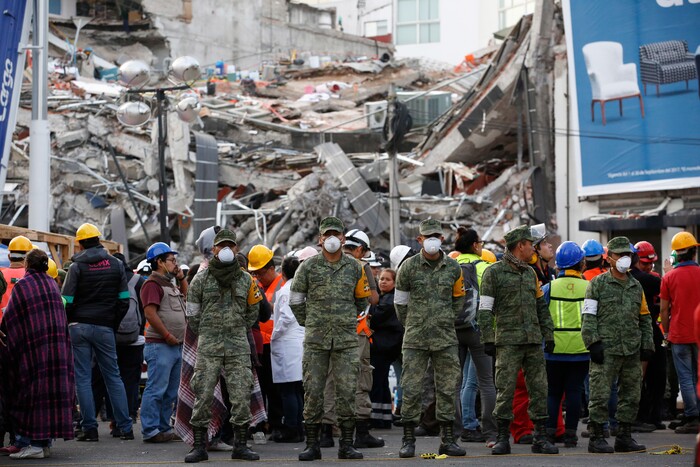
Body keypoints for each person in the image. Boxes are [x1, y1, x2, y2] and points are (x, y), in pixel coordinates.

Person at [290, 216, 371, 461]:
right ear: (320, 239)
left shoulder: (355, 267)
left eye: (336, 234)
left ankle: (346, 444)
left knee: (347, 391)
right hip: (316, 341)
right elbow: (295, 301)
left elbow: (362, 300)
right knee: (313, 391)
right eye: (328, 235)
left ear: (343, 238)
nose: (332, 239)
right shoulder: (308, 267)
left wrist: (345, 320)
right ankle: (312, 444)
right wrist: (311, 321)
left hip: (346, 340)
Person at [477, 224, 558, 456]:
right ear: (519, 246)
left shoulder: (530, 273)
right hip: (507, 341)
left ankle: (540, 437)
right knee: (505, 389)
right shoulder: (494, 273)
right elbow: (484, 309)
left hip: (533, 341)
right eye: (530, 245)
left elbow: (540, 306)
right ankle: (503, 437)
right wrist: (488, 338)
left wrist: (549, 334)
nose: (533, 249)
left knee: (539, 388)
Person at [185, 228, 263, 462]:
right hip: (209, 346)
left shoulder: (246, 280)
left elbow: (253, 311)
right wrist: (209, 331)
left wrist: (236, 328)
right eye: (222, 246)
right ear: (214, 249)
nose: (227, 249)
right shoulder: (200, 279)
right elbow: (192, 314)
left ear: (236, 249)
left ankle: (240, 445)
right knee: (203, 393)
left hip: (238, 346)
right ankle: (199, 446)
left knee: (240, 395)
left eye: (231, 245)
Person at [394, 218, 467, 458]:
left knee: (447, 388)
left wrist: (446, 319)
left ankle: (447, 440)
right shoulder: (408, 268)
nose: (432, 240)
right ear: (420, 240)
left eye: (436, 235)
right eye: (428, 236)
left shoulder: (453, 268)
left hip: (445, 338)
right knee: (412, 387)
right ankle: (408, 440)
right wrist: (413, 324)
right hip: (415, 339)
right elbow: (400, 303)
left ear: (442, 238)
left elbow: (459, 299)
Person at [62, 223, 134, 442]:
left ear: (81, 243)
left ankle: (89, 428)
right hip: (105, 326)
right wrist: (111, 323)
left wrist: (70, 321)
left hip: (79, 327)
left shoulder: (76, 267)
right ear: (99, 240)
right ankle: (125, 428)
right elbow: (124, 300)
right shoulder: (115, 265)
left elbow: (67, 301)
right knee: (113, 376)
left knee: (82, 378)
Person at [582, 236, 654, 453]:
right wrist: (592, 342)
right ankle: (596, 438)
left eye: (628, 255)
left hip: (631, 349)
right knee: (600, 395)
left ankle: (624, 436)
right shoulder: (597, 284)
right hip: (606, 349)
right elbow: (588, 316)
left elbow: (645, 317)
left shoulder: (635, 286)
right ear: (609, 258)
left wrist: (647, 343)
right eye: (620, 255)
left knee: (631, 395)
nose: (625, 258)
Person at [0, 249, 74, 459]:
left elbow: (11, 318)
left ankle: (33, 444)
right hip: (56, 350)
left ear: (27, 264)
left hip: (34, 350)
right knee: (49, 393)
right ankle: (43, 442)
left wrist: (5, 341)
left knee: (30, 393)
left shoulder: (24, 285)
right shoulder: (52, 284)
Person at [328, 228, 383, 449]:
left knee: (330, 378)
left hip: (329, 331)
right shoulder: (362, 267)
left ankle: (325, 431)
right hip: (357, 332)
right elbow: (374, 298)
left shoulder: (323, 264)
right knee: (361, 377)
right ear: (360, 249)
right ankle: (361, 432)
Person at [542, 242, 590, 448]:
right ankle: (571, 434)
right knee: (574, 392)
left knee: (553, 392)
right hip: (580, 350)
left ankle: (551, 432)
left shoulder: (548, 288)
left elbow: (540, 316)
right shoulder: (589, 287)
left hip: (553, 350)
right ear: (580, 263)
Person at [140, 242, 188, 443]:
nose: (175, 264)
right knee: (156, 388)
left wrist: (181, 278)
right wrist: (167, 335)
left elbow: (188, 297)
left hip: (175, 345)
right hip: (161, 345)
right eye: (171, 260)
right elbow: (150, 312)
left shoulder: (170, 284)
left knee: (170, 390)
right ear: (159, 262)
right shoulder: (152, 285)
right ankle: (151, 429)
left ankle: (163, 427)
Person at [453, 227, 497, 445]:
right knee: (486, 382)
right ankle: (490, 433)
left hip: (453, 330)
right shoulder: (486, 268)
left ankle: (453, 433)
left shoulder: (449, 266)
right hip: (479, 330)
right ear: (474, 245)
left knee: (453, 383)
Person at [660, 231, 700, 434]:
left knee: (685, 376)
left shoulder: (669, 277)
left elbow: (664, 310)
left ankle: (692, 416)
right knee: (697, 376)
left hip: (679, 334)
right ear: (694, 252)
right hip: (699, 334)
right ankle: (694, 414)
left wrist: (666, 332)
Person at [248, 244, 285, 440]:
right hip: (259, 346)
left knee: (274, 389)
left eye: (260, 273)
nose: (258, 277)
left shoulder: (282, 285)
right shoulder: (257, 286)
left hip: (275, 345)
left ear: (271, 268)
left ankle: (277, 423)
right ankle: (261, 424)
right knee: (259, 387)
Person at [270, 254, 306, 442]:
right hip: (298, 342)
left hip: (287, 343)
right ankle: (299, 427)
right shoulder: (301, 288)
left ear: (282, 272)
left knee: (288, 390)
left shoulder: (285, 291)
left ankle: (291, 428)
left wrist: (274, 335)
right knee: (296, 388)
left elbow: (285, 317)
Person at [631, 243, 665, 431]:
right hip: (639, 333)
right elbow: (657, 284)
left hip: (651, 330)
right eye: (645, 263)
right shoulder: (641, 279)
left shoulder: (650, 278)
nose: (649, 267)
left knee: (657, 376)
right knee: (638, 377)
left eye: (652, 263)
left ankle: (653, 417)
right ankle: (641, 416)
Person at [368, 268, 403, 429]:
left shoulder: (389, 300)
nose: (383, 282)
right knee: (381, 382)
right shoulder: (385, 298)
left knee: (376, 382)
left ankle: (376, 418)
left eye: (387, 279)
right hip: (384, 346)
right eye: (381, 279)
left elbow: (375, 317)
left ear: (395, 283)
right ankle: (383, 417)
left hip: (383, 347)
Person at [0, 235, 31, 318]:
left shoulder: (1, 274)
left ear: (9, 257)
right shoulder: (32, 277)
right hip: (22, 326)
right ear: (28, 258)